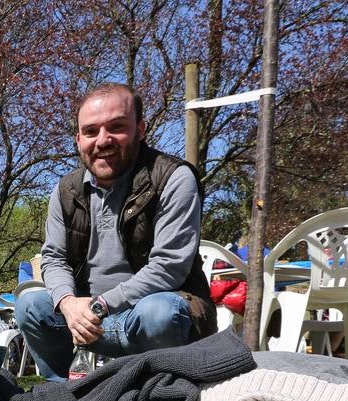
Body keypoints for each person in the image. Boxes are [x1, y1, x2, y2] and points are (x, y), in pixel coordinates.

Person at [15, 83, 215, 381]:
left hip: (149, 317)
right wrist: (69, 304)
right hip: (88, 320)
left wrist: (99, 306)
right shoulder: (66, 190)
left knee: (161, 311)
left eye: (117, 127)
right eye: (91, 131)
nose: (103, 140)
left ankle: (163, 394)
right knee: (31, 304)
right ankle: (61, 400)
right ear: (78, 139)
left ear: (140, 129)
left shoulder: (173, 178)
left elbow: (169, 268)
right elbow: (54, 258)